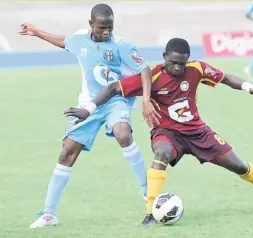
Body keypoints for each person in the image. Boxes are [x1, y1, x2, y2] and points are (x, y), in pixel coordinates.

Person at [64, 38, 253, 226]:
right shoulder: (153, 77)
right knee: (161, 153)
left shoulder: (197, 69)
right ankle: (150, 212)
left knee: (239, 166)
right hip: (167, 131)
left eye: (182, 63)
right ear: (164, 56)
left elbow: (225, 78)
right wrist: (88, 108)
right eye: (173, 62)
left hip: (198, 132)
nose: (177, 67)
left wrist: (248, 87)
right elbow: (113, 88)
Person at [19, 3, 160, 228]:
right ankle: (49, 213)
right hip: (89, 102)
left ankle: (148, 197)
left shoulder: (121, 45)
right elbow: (64, 41)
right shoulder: (80, 39)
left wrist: (145, 101)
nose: (106, 32)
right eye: (102, 27)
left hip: (116, 100)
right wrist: (36, 32)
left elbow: (145, 69)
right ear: (91, 24)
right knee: (67, 151)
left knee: (123, 133)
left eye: (110, 27)